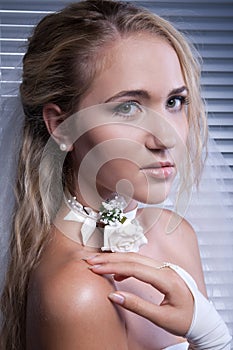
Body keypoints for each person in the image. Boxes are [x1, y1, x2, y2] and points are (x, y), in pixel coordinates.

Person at [0, 0, 231, 349]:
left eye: (174, 102)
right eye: (128, 107)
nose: (166, 137)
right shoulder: (77, 292)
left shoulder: (177, 234)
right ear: (62, 125)